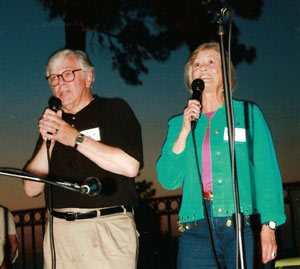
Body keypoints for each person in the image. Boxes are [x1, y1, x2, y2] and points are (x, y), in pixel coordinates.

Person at [156, 42, 286, 268]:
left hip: (242, 225)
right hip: (195, 228)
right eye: (197, 64)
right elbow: (168, 180)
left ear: (226, 72)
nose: (203, 68)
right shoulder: (179, 124)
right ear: (191, 76)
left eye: (210, 62)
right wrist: (185, 131)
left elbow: (267, 172)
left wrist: (269, 226)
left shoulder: (247, 113)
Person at [23, 49, 143, 268]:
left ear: (89, 78)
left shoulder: (114, 110)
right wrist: (49, 140)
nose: (60, 83)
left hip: (106, 230)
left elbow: (130, 166)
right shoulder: (54, 123)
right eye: (53, 78)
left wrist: (75, 139)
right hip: (59, 234)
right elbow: (31, 189)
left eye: (67, 74)